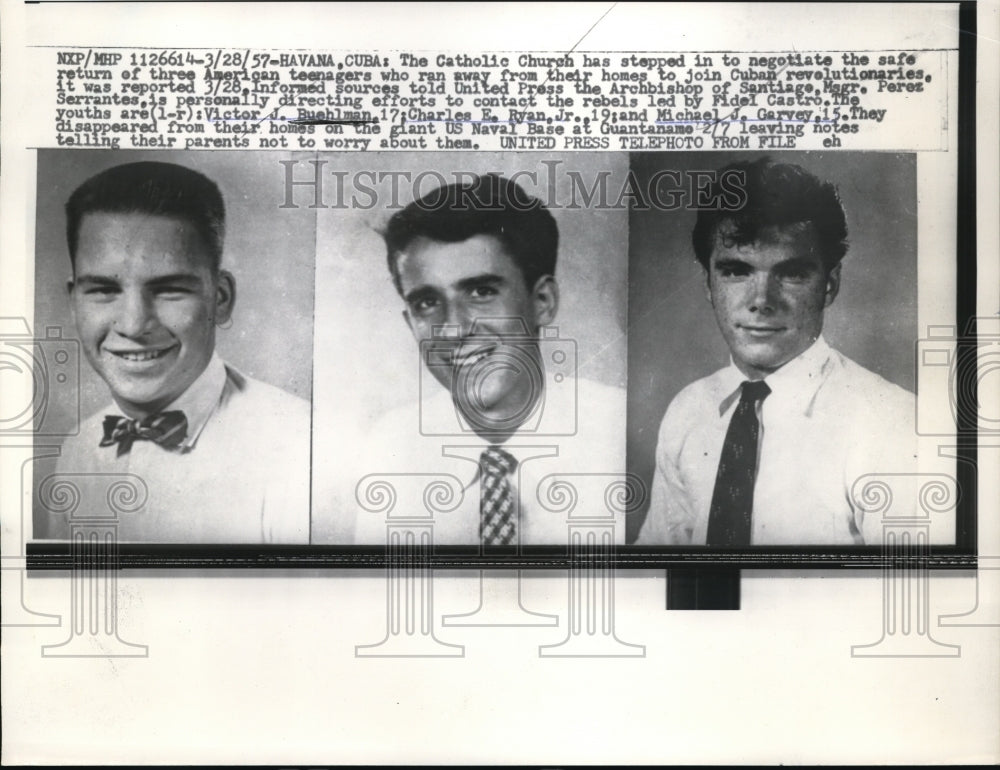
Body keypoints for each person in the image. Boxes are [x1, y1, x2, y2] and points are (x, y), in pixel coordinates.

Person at [638, 158, 917, 546]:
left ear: (829, 286)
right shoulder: (688, 410)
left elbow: (911, 594)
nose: (761, 301)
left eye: (792, 274)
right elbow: (658, 569)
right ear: (709, 284)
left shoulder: (893, 423)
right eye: (736, 271)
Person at [41, 161, 310, 543]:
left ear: (220, 299)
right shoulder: (78, 448)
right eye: (103, 289)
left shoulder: (299, 447)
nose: (133, 325)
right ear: (73, 303)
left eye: (169, 289)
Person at [351, 174, 627, 546]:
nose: (453, 329)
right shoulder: (391, 445)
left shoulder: (619, 430)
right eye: (427, 303)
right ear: (410, 323)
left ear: (542, 302)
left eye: (481, 292)